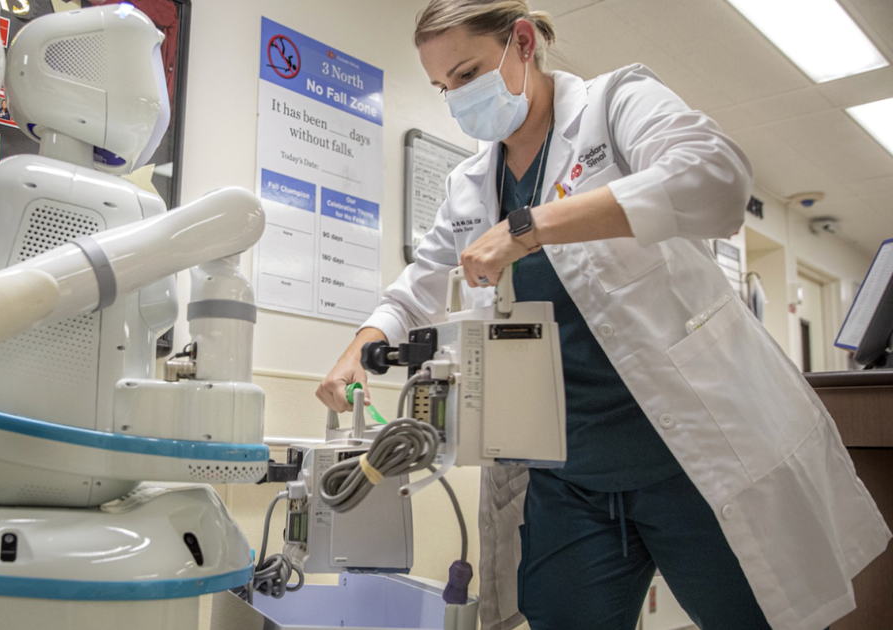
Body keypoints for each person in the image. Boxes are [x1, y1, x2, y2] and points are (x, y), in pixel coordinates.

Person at [315, 2, 890, 629]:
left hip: (689, 460)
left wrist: (530, 227)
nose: (457, 98)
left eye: (468, 74)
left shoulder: (614, 104)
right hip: (569, 478)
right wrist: (359, 349)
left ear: (523, 42)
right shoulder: (468, 185)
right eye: (442, 87)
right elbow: (417, 287)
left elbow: (716, 179)